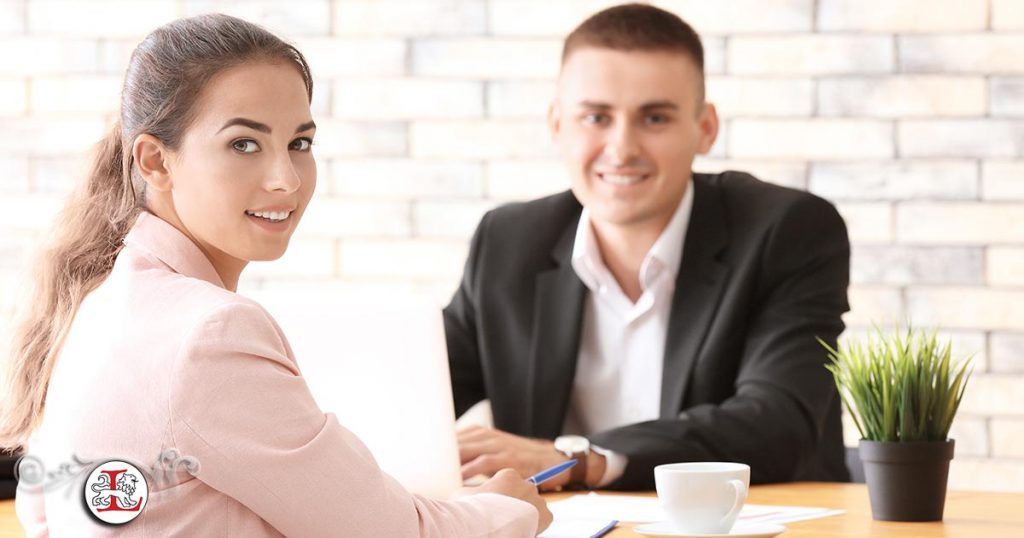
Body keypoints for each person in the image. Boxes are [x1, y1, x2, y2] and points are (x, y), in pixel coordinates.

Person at [1, 14, 550, 536]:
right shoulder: (208, 333)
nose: (286, 179)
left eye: (299, 143)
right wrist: (508, 509)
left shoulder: (97, 302)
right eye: (244, 144)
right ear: (155, 161)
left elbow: (43, 513)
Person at [445, 3, 851, 491]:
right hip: (564, 523)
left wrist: (576, 460)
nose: (622, 149)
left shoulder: (787, 231)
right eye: (596, 117)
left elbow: (776, 423)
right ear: (556, 124)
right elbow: (419, 389)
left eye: (654, 118)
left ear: (706, 128)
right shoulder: (508, 241)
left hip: (753, 521)